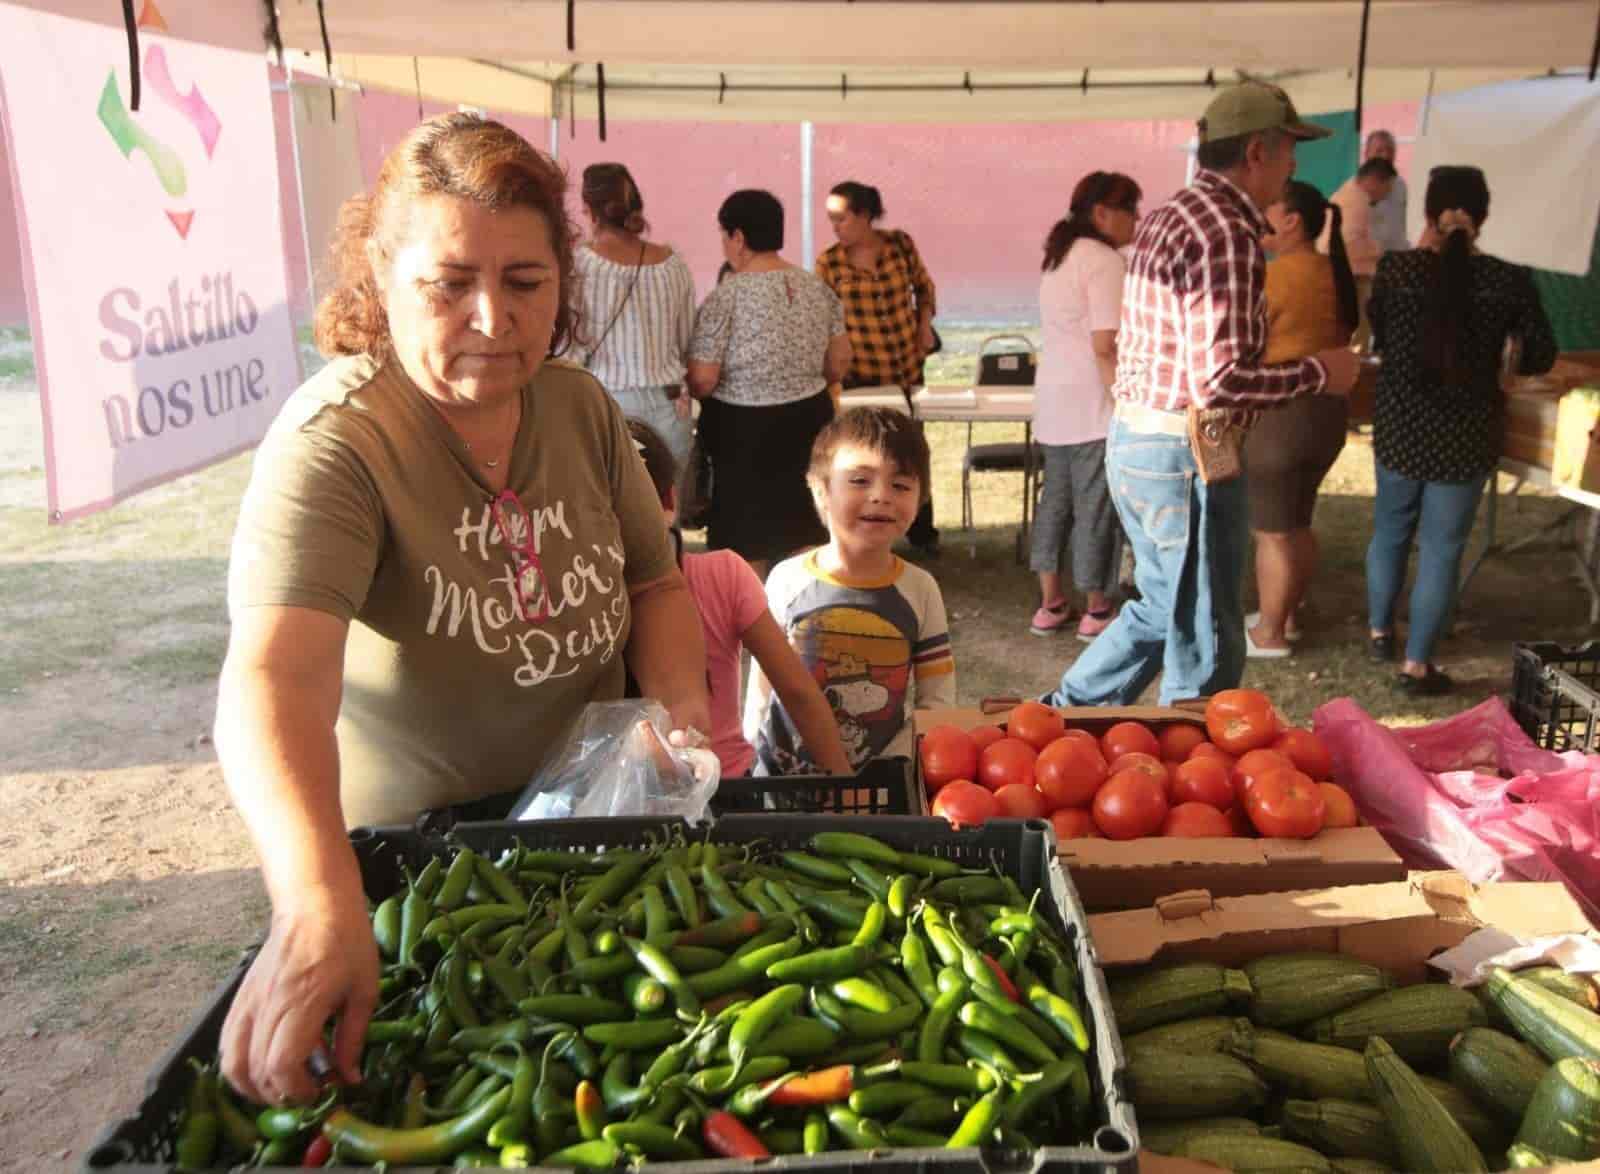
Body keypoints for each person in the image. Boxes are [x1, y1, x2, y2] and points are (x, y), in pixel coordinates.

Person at [213, 113, 710, 1107]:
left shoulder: (578, 407)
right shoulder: (340, 443)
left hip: (593, 841)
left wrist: (679, 718)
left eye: (525, 283)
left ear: (562, 281)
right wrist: (316, 904)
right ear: (382, 276)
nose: (494, 317)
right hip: (420, 872)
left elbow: (655, 584)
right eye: (449, 284)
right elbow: (275, 675)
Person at [1046, 81, 1360, 709]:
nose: (1295, 164)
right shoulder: (1227, 231)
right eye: (1290, 148)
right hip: (1184, 450)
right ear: (1255, 153)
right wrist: (1321, 373)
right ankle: (1194, 754)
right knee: (1206, 633)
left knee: (1170, 607)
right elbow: (1220, 382)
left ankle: (1062, 716)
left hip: (1138, 439)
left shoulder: (1173, 213)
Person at [1366, 165, 1556, 695]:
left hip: (1400, 425)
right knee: (1442, 548)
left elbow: (1379, 331)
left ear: (1427, 212)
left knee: (1389, 531)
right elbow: (1541, 353)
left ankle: (1380, 631)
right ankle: (1417, 665)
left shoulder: (1396, 270)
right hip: (1467, 434)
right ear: (1484, 215)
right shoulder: (1507, 279)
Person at [628, 419, 852, 777]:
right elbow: (798, 693)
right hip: (727, 792)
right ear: (671, 499)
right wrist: (843, 786)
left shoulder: (575, 599)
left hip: (611, 802)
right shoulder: (723, 575)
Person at [745, 407, 955, 773]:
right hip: (779, 785)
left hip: (880, 794)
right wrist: (749, 758)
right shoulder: (785, 580)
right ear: (820, 489)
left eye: (901, 485)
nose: (881, 496)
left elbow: (936, 702)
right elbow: (762, 690)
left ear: (921, 498)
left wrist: (896, 765)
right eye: (860, 480)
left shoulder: (921, 590)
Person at [688, 189, 851, 578]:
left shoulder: (724, 298)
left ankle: (750, 624)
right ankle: (808, 615)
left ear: (738, 237)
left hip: (742, 430)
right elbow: (840, 361)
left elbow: (705, 379)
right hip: (808, 418)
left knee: (744, 533)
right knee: (806, 519)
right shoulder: (818, 289)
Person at [1244, 180, 1361, 657]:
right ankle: (1286, 616)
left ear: (1291, 220)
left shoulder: (1274, 277)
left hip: (1280, 414)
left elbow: (1246, 342)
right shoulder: (1333, 273)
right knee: (1297, 521)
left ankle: (1269, 633)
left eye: (1267, 207)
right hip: (1327, 414)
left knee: (1271, 528)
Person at [1029, 171, 1142, 642]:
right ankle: (1097, 608)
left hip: (1053, 400)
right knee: (1095, 506)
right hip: (1092, 401)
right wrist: (1126, 402)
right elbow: (1105, 343)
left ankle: (1051, 604)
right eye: (1130, 210)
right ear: (1102, 213)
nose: (1137, 220)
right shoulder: (1103, 259)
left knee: (1055, 504)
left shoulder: (1059, 256)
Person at [815, 181, 942, 555]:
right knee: (866, 452)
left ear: (865, 216)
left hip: (905, 368)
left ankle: (922, 530)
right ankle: (859, 526)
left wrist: (923, 324)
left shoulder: (900, 245)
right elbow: (823, 318)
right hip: (858, 377)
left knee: (911, 449)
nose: (835, 227)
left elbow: (925, 288)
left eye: (841, 218)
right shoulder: (829, 263)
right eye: (831, 220)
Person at [574, 163, 697, 475]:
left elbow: (571, 346)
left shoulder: (579, 265)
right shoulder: (672, 264)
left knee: (615, 511)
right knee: (668, 514)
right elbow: (686, 340)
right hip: (671, 404)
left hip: (608, 404)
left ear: (588, 211)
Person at [1326, 156, 1398, 348]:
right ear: (1375, 181)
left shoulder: (1347, 192)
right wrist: (1378, 252)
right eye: (1387, 187)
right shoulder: (1357, 201)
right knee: (1357, 338)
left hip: (1342, 274)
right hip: (1351, 278)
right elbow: (1349, 243)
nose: (1387, 194)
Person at [1364, 130, 1410, 256]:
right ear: (1366, 154)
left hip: (1398, 258)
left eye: (1390, 150)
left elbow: (1400, 226)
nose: (1385, 156)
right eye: (1379, 151)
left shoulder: (1400, 185)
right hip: (1368, 261)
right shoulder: (1357, 187)